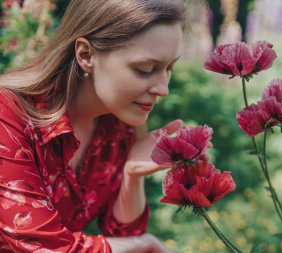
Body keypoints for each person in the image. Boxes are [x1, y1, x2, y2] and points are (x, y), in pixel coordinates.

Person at [0, 0, 187, 252]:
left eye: (169, 68)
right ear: (86, 55)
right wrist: (145, 244)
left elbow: (121, 235)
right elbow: (43, 246)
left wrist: (132, 176)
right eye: (146, 69)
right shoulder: (9, 114)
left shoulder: (117, 125)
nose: (163, 89)